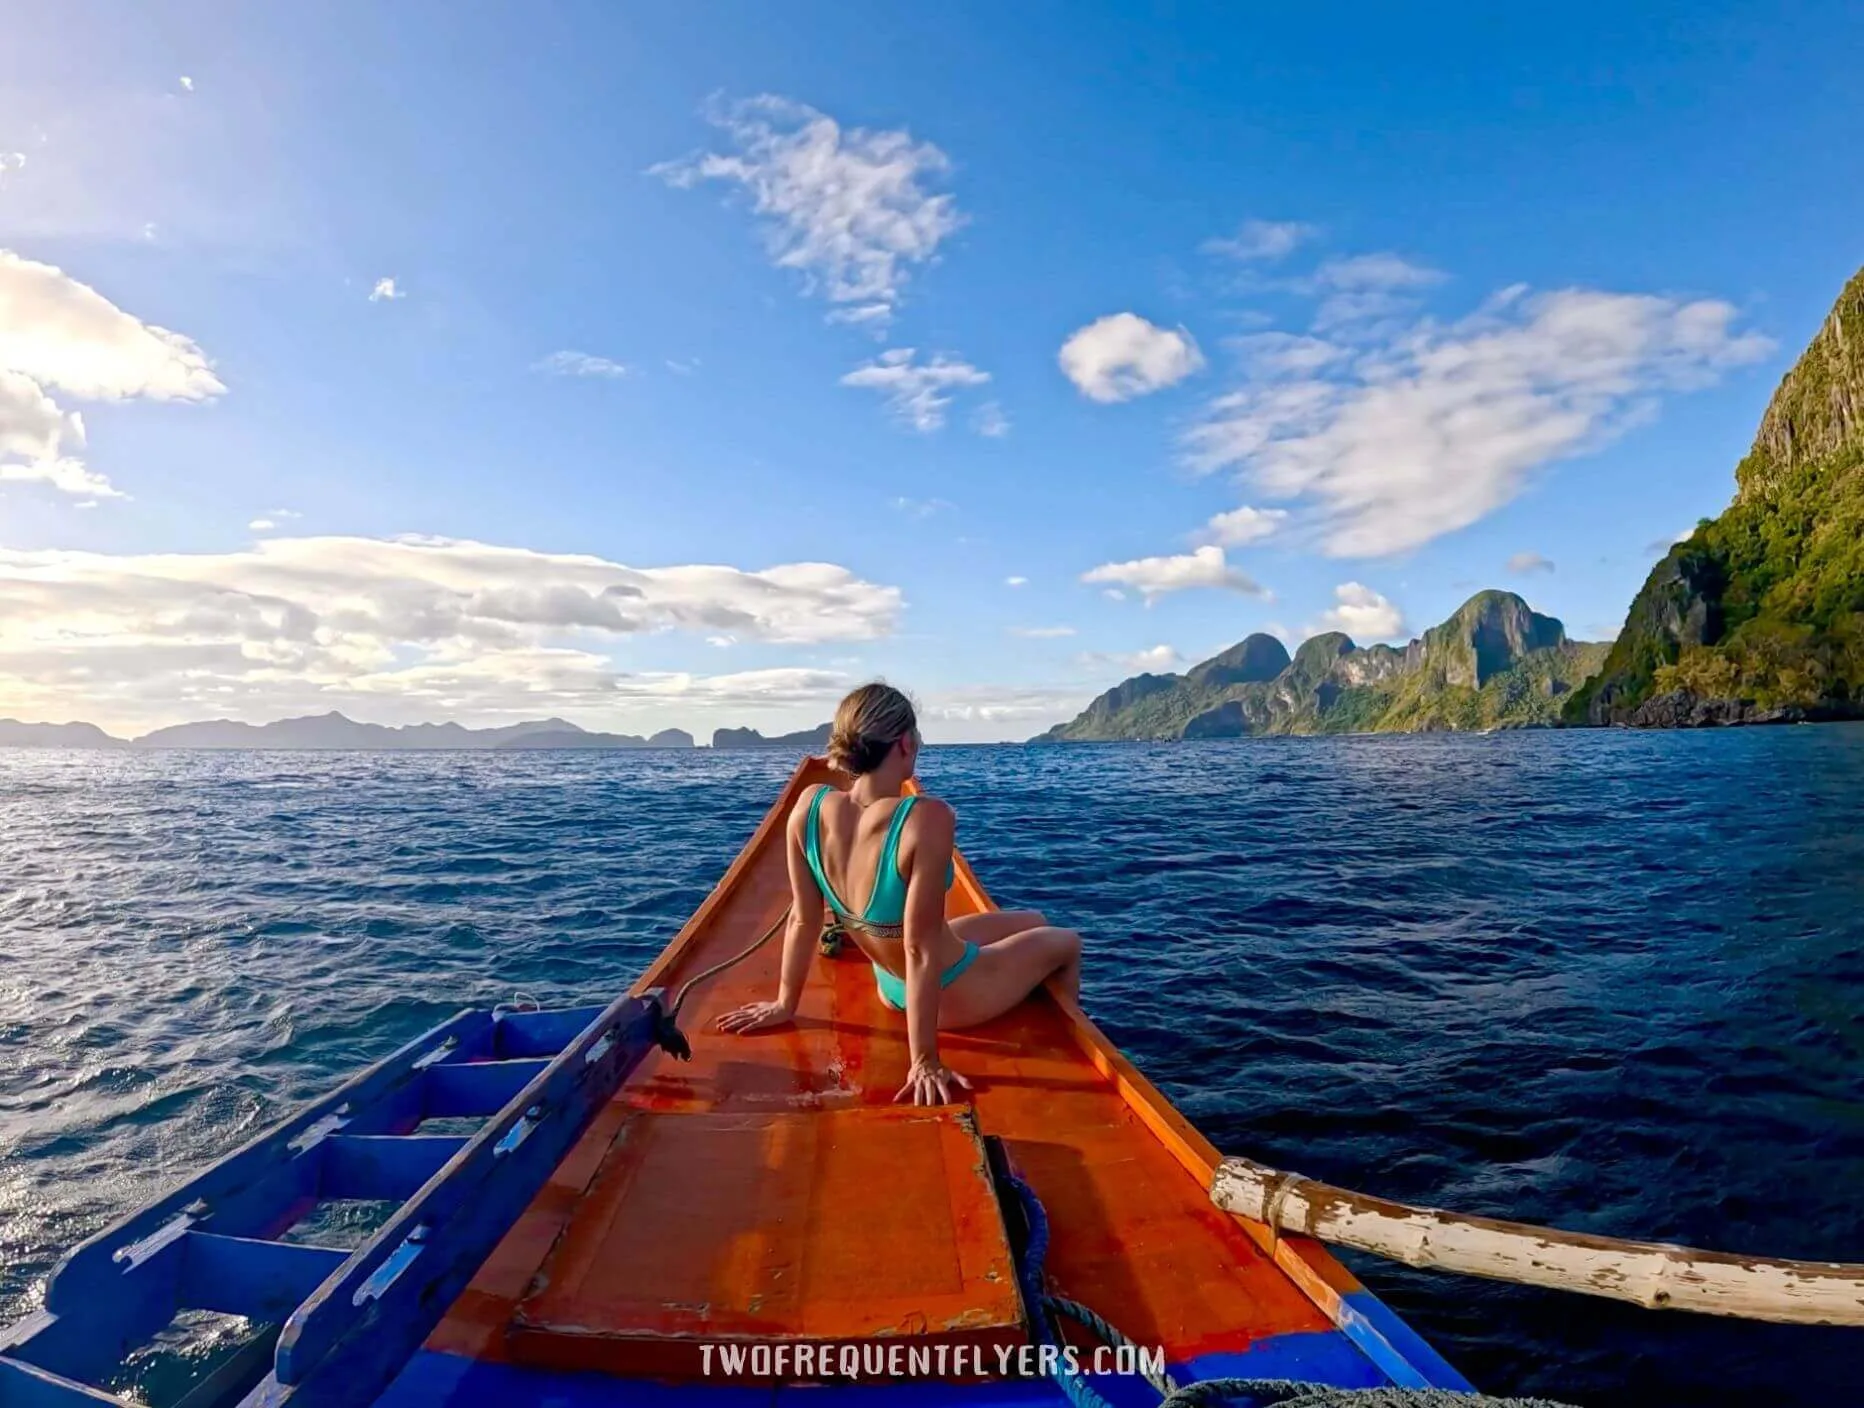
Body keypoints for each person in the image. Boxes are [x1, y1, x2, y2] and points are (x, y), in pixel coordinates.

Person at [716, 682, 1083, 1105]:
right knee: (1066, 942)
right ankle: (1071, 1042)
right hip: (953, 996)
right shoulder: (927, 817)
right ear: (905, 743)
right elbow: (920, 949)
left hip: (888, 984)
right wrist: (923, 1059)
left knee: (1031, 921)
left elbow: (804, 918)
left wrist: (785, 1003)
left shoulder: (809, 805)